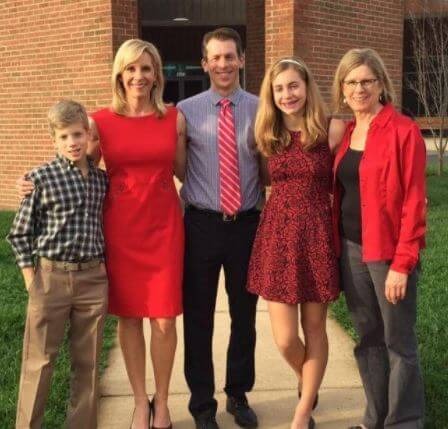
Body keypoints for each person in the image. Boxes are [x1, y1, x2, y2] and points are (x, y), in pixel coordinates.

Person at [17, 39, 186, 429]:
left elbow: (183, 172)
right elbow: (76, 167)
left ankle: (161, 404)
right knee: (128, 318)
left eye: (146, 68)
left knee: (164, 320)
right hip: (120, 229)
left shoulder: (174, 118)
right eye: (131, 69)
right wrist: (31, 181)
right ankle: (139, 405)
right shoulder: (99, 122)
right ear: (119, 74)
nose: (139, 76)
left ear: (157, 74)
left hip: (164, 229)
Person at [246, 57, 344, 429]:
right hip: (278, 237)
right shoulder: (267, 136)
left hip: (317, 235)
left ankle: (302, 414)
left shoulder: (329, 131)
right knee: (286, 338)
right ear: (271, 95)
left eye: (293, 86)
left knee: (315, 328)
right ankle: (308, 382)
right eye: (279, 88)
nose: (287, 94)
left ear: (306, 87)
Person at [331, 48, 426, 429]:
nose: (359, 88)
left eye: (367, 81)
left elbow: (415, 203)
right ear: (342, 87)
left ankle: (405, 421)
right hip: (352, 251)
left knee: (398, 343)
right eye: (351, 82)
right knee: (367, 338)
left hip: (388, 254)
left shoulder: (404, 131)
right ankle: (375, 418)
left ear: (381, 84)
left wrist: (402, 265)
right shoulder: (349, 132)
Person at [177, 27, 262, 429]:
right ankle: (201, 405)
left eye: (231, 56)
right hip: (201, 225)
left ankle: (238, 394)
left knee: (244, 317)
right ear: (204, 63)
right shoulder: (185, 111)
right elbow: (176, 164)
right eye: (216, 57)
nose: (224, 64)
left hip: (246, 226)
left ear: (242, 60)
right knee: (198, 318)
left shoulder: (263, 109)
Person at [7, 100, 109, 429]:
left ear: (88, 134)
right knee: (39, 361)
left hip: (93, 279)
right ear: (54, 140)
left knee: (88, 364)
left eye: (77, 134)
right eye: (64, 137)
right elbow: (20, 234)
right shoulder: (39, 179)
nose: (72, 143)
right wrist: (30, 281)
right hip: (50, 278)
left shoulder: (100, 181)